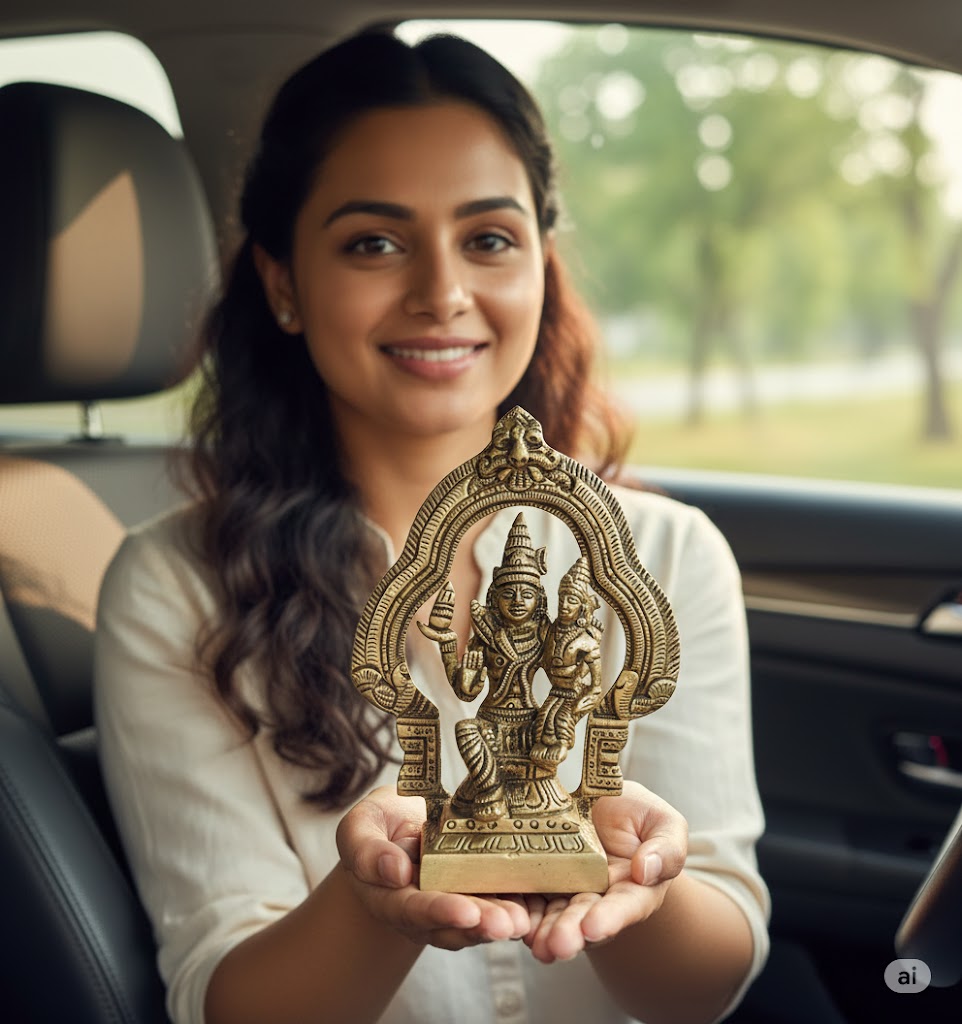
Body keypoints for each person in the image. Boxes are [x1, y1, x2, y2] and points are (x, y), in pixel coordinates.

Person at [93, 28, 770, 1024]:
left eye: (487, 239)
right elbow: (225, 995)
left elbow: (704, 985)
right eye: (374, 242)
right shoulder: (176, 587)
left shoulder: (666, 555)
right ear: (282, 283)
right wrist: (377, 905)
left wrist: (643, 878)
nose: (441, 294)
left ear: (539, 262)